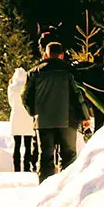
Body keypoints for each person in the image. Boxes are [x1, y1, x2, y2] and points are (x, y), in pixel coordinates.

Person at [23, 42, 90, 183]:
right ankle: (66, 190)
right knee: (68, 157)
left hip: (43, 122)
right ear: (62, 55)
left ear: (46, 54)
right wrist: (85, 116)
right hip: (68, 120)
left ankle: (44, 190)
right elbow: (78, 96)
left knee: (45, 157)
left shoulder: (34, 72)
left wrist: (35, 113)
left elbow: (26, 98)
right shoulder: (70, 71)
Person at [8, 68, 37, 172]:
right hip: (28, 117)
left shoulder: (11, 88)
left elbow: (10, 102)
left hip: (15, 117)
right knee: (28, 146)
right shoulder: (29, 87)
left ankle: (16, 168)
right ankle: (26, 167)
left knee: (17, 145)